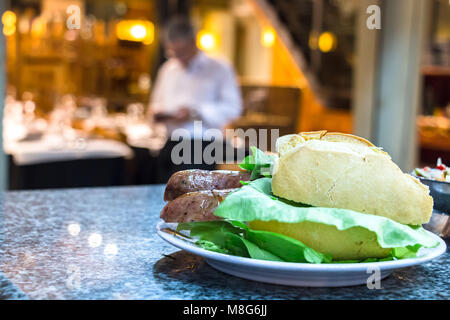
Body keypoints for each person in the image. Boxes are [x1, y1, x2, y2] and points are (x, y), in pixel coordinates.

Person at [149, 16, 243, 182]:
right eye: (173, 52)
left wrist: (195, 112)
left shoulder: (219, 68)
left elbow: (233, 108)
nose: (178, 57)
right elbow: (155, 103)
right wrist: (159, 114)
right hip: (170, 143)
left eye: (182, 52)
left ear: (193, 42)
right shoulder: (168, 69)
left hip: (203, 146)